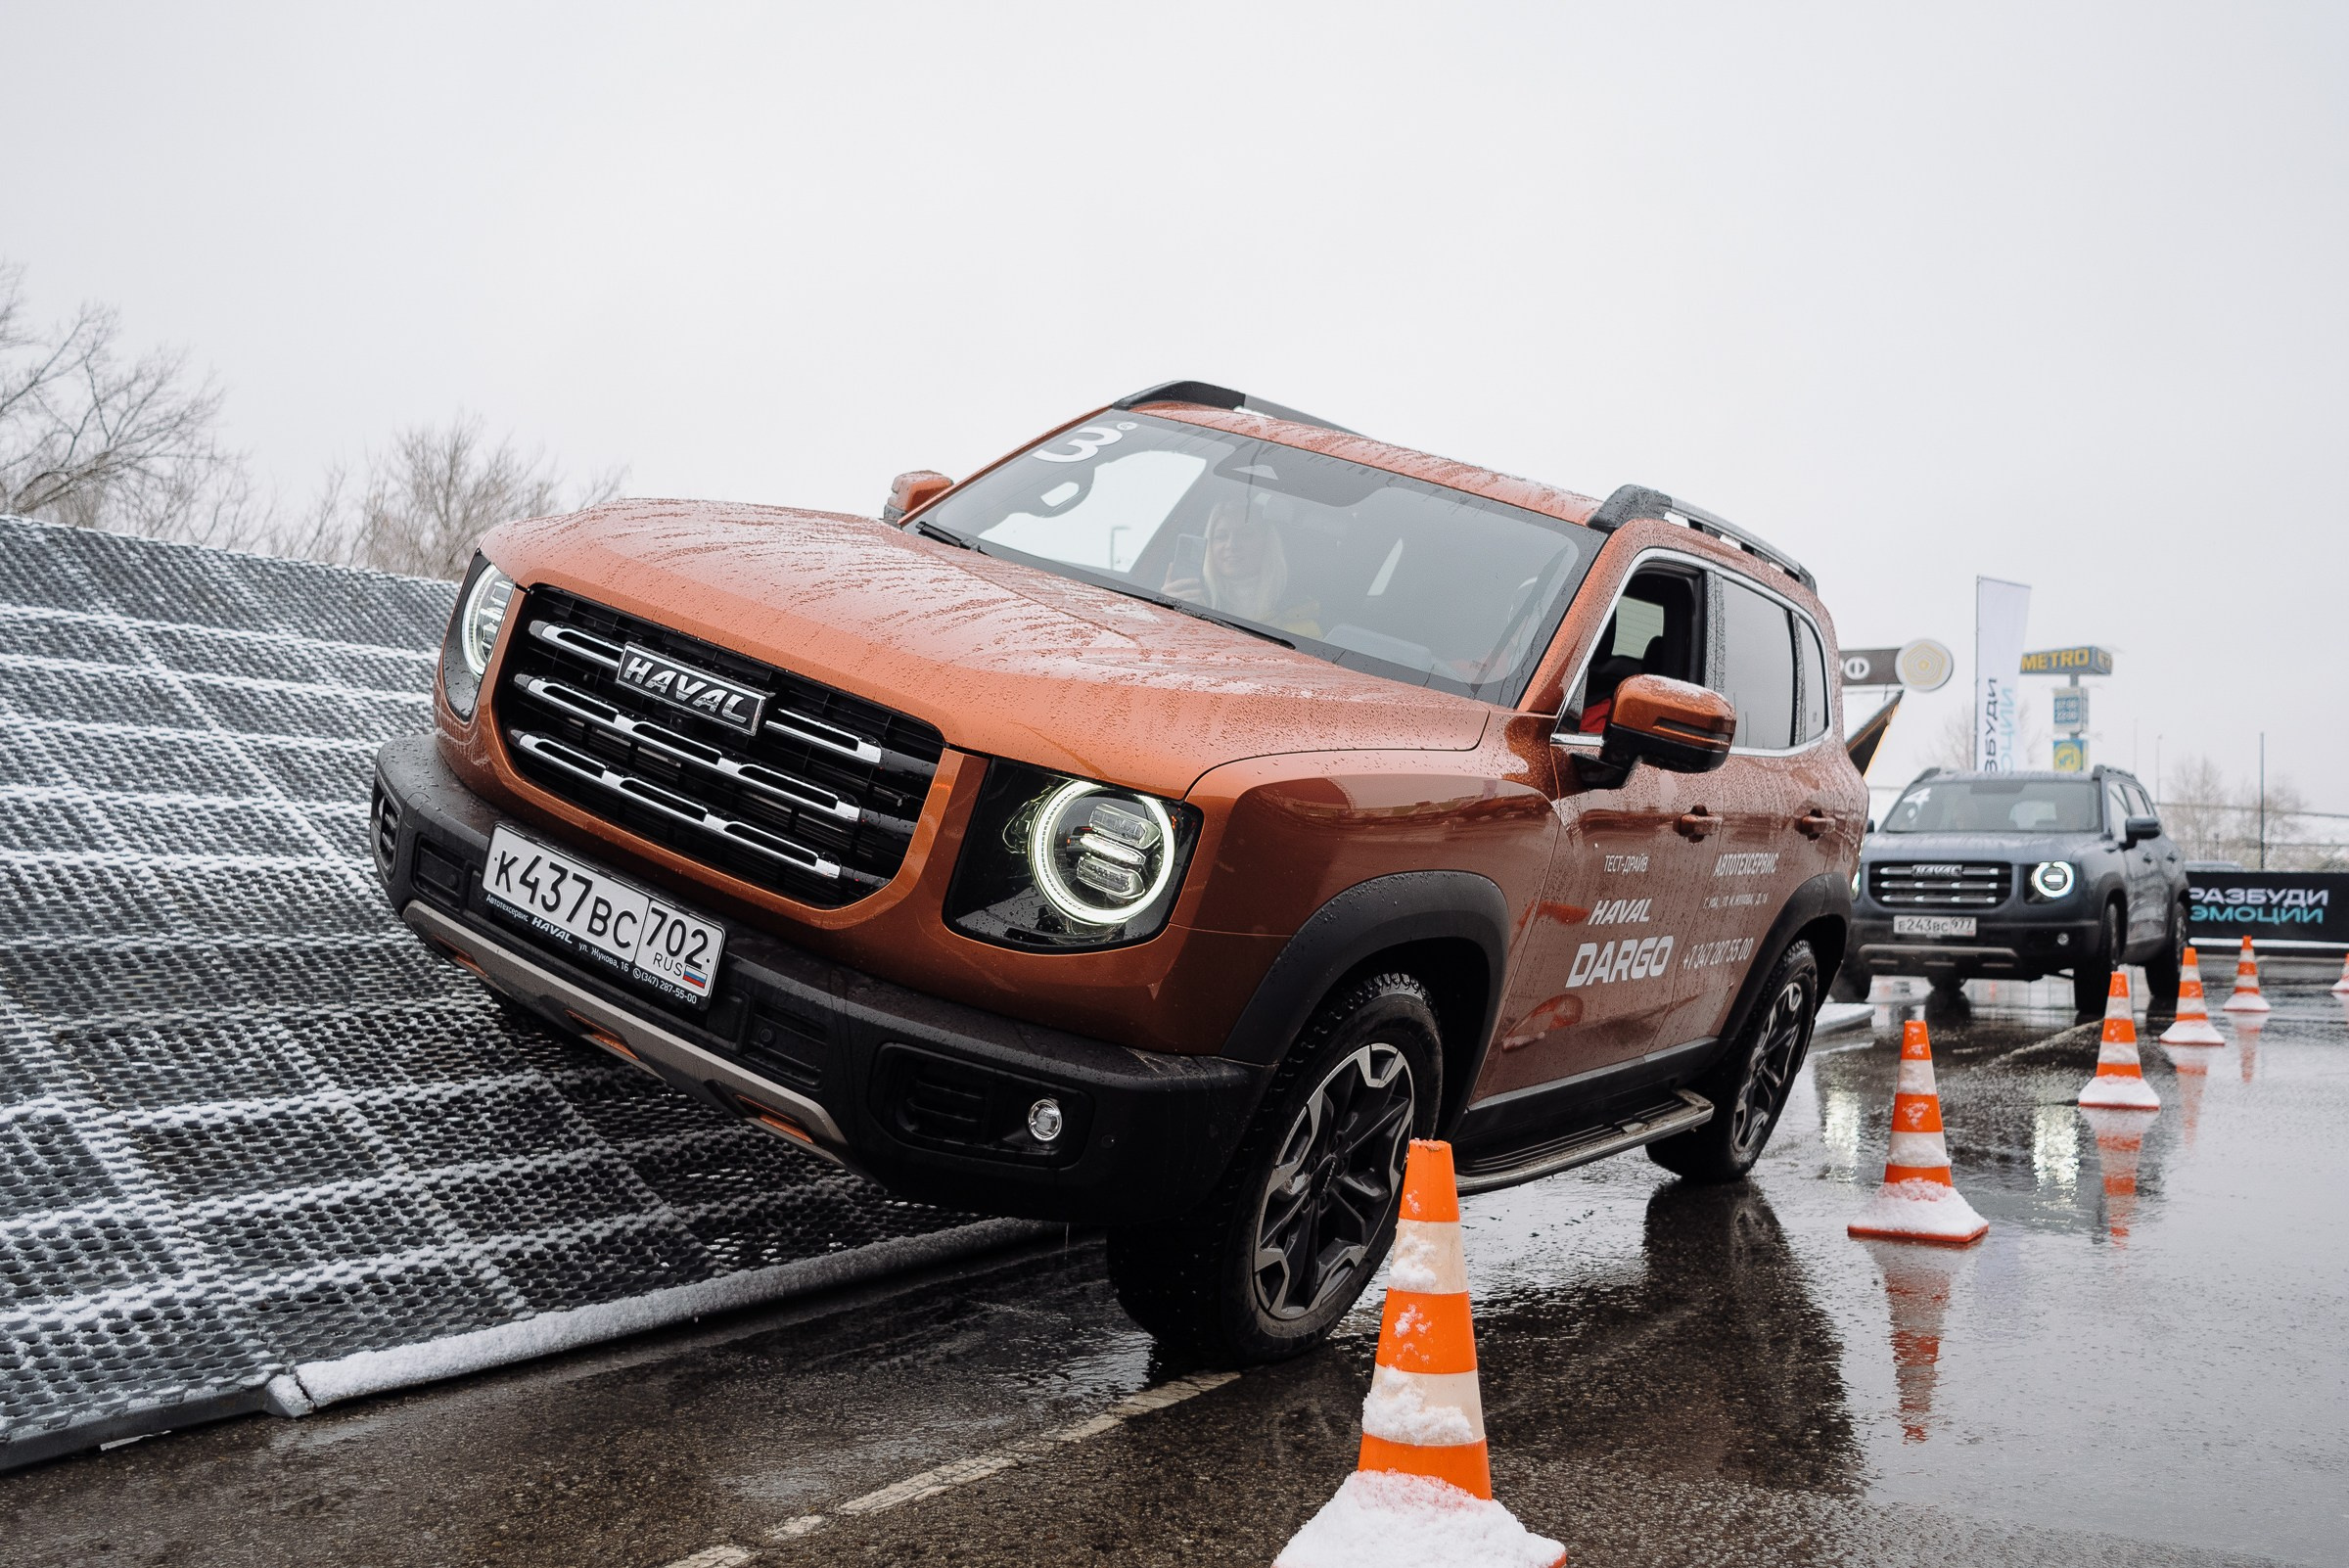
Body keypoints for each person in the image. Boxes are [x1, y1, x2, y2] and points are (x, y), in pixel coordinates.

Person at [1163, 500, 1321, 637]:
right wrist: (1169, 614)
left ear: (1267, 544)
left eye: (1245, 535)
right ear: (1210, 546)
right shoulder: (1193, 600)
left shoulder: (1299, 610)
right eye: (1221, 537)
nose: (1231, 545)